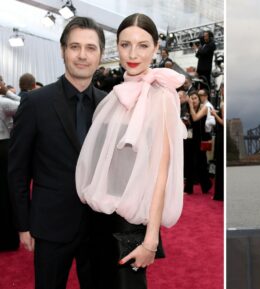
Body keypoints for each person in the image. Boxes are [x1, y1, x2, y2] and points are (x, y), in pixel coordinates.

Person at [75, 13, 186, 289]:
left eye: (143, 45)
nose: (133, 53)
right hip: (97, 218)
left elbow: (161, 174)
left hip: (129, 225)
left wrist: (151, 240)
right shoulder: (114, 95)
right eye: (125, 45)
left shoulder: (161, 98)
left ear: (157, 48)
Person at [8, 17, 106, 289]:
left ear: (100, 54)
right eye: (75, 47)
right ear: (63, 51)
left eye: (91, 47)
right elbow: (17, 169)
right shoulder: (35, 103)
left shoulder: (111, 105)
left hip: (100, 226)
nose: (82, 55)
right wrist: (23, 224)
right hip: (50, 225)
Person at [0, 77, 20, 251]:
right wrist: (6, 91)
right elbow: (25, 105)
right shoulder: (3, 102)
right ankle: (7, 239)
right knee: (6, 193)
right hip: (3, 148)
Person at [186, 90, 213, 194]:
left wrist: (191, 107)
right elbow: (191, 122)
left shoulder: (203, 107)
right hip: (191, 139)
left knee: (201, 164)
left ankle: (206, 185)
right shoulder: (189, 108)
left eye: (195, 98)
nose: (193, 100)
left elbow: (195, 118)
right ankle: (189, 188)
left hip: (201, 140)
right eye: (191, 98)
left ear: (199, 98)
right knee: (190, 164)